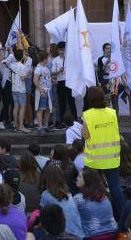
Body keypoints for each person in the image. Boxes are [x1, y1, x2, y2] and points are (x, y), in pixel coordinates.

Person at [80, 85, 125, 219]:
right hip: (112, 157)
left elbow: (85, 135)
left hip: (93, 160)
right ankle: (123, 217)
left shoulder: (87, 115)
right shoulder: (112, 113)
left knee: (92, 188)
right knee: (115, 188)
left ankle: (94, 216)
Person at [39, 164, 84, 238]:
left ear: (45, 178)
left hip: (65, 235)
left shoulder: (46, 195)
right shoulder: (68, 194)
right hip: (79, 234)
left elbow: (43, 218)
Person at [73, 167, 117, 239]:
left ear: (87, 181)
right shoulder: (105, 196)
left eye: (80, 176)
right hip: (113, 234)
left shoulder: (78, 199)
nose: (77, 178)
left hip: (93, 236)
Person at [33, 51, 53, 133]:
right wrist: (41, 90)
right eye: (47, 58)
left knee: (48, 109)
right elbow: (35, 81)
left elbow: (47, 78)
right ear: (45, 59)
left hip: (48, 90)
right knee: (40, 109)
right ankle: (40, 127)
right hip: (42, 91)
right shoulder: (38, 68)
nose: (48, 59)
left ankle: (46, 126)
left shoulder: (46, 67)